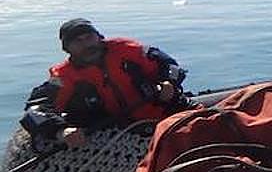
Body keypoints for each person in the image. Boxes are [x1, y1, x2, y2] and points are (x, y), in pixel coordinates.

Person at [21, 19, 189, 148]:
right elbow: (34, 111)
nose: (86, 45)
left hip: (167, 115)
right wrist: (60, 130)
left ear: (99, 37)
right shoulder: (63, 77)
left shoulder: (129, 49)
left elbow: (171, 65)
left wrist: (169, 82)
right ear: (67, 48)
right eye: (77, 41)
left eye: (89, 37)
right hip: (117, 136)